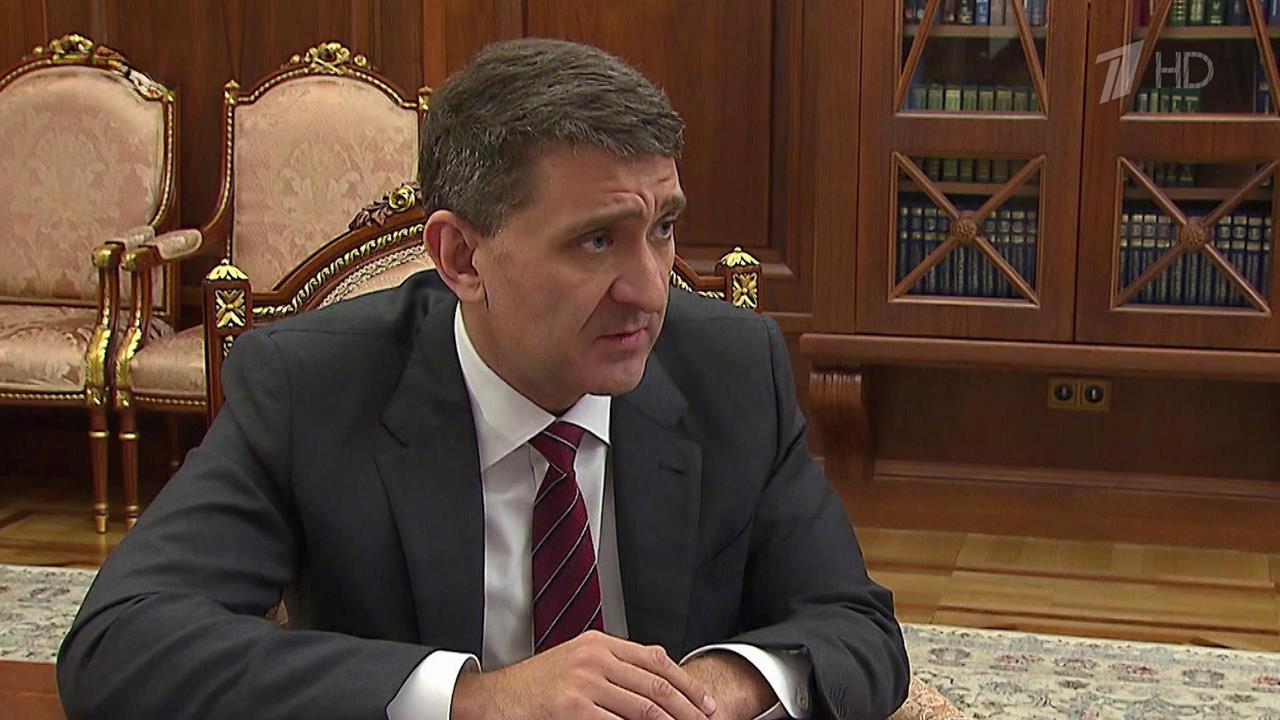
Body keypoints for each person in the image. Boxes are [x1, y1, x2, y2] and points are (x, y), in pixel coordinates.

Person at [57, 39, 910, 720]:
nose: (652, 290)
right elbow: (120, 645)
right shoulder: (312, 387)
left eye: (662, 229)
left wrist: (719, 686)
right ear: (462, 257)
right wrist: (476, 698)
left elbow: (856, 628)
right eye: (597, 240)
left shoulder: (731, 370)